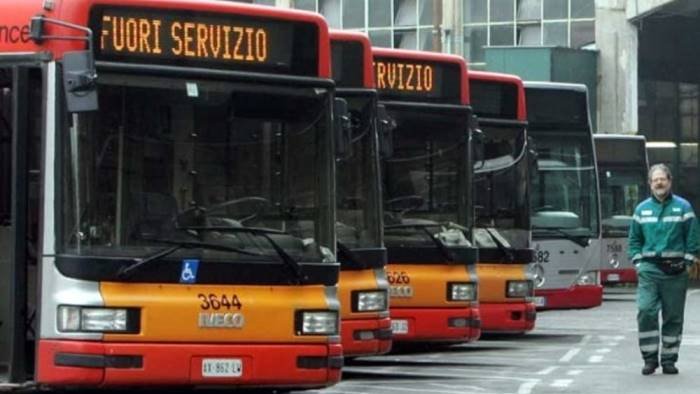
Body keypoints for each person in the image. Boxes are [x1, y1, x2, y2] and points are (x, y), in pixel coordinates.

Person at [628, 163, 699, 375]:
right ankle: (649, 359)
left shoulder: (684, 207)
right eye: (655, 179)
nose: (659, 182)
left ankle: (669, 359)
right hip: (649, 269)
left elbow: (693, 238)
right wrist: (639, 264)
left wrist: (686, 263)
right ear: (650, 184)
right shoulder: (641, 210)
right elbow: (634, 240)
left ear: (669, 181)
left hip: (676, 272)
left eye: (662, 179)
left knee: (673, 317)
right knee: (646, 311)